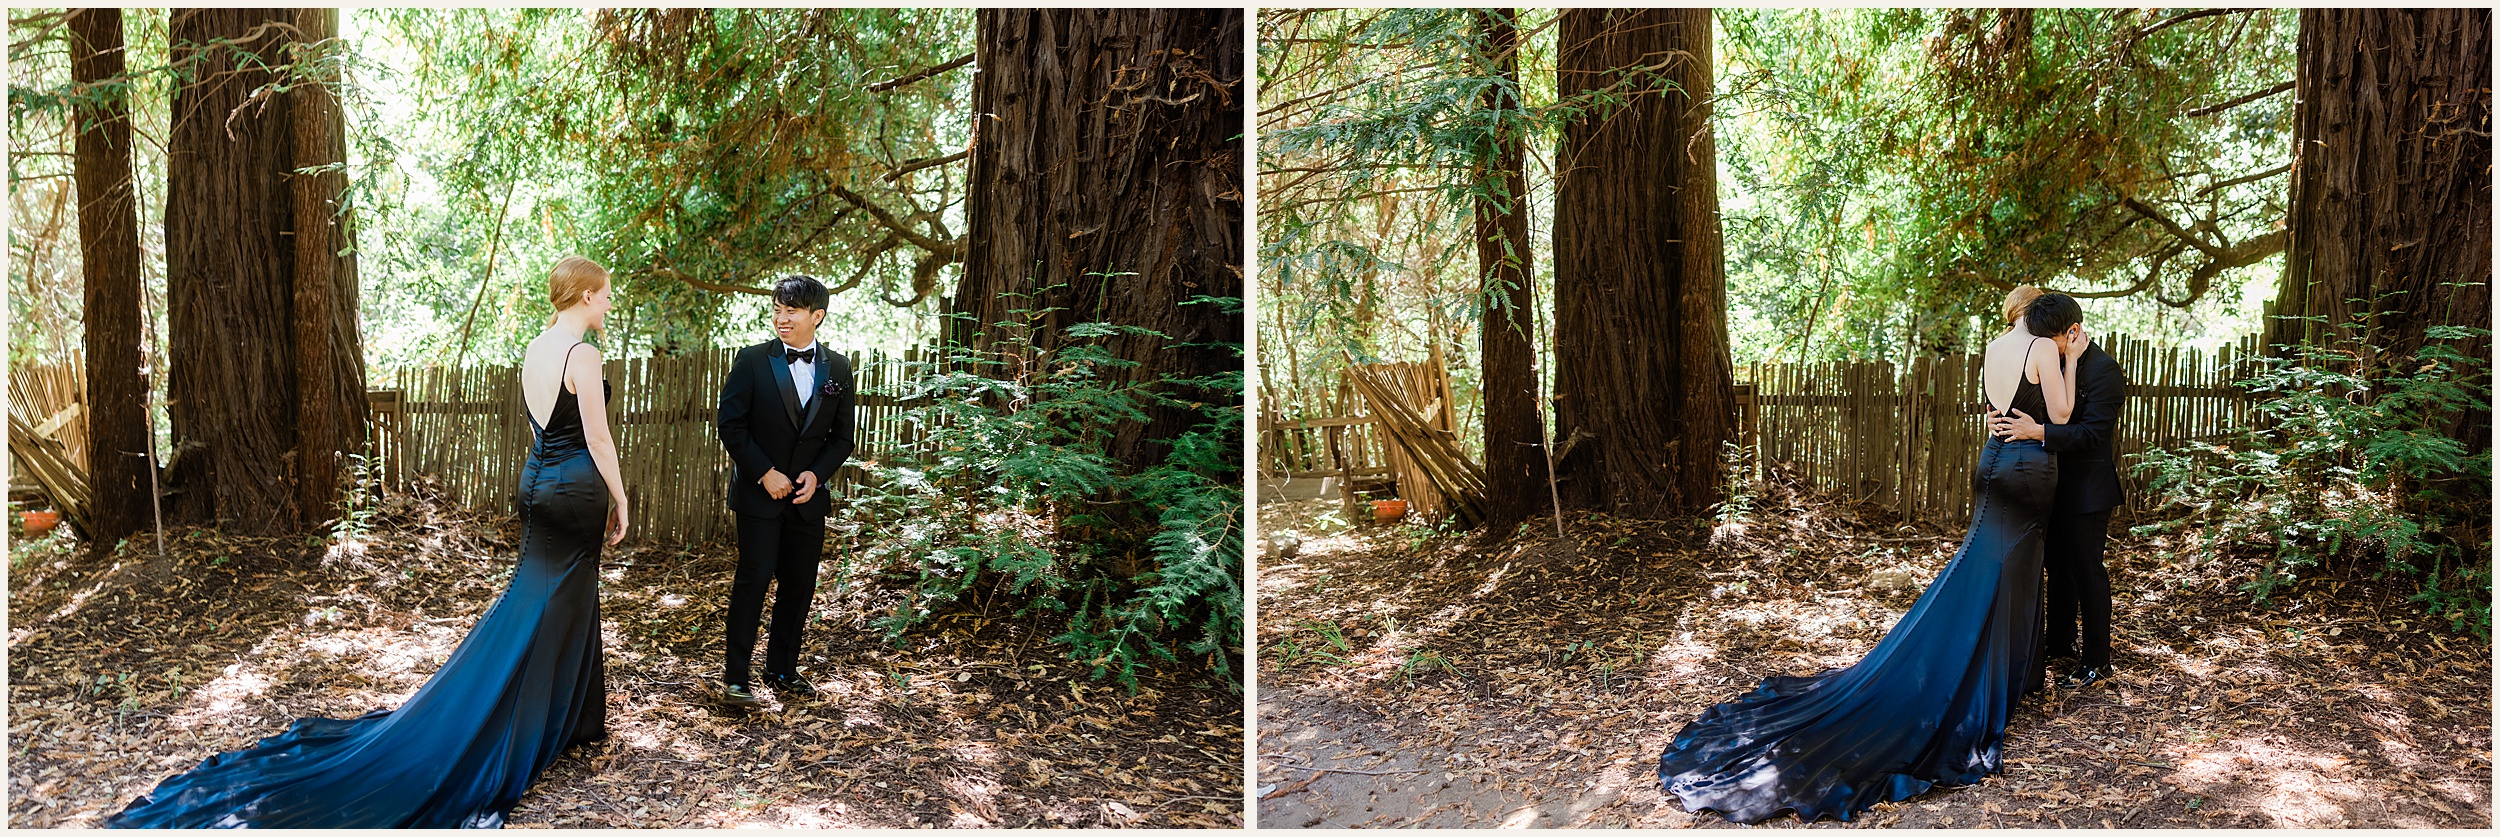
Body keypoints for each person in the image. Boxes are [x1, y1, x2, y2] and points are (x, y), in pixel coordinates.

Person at [106, 256, 628, 828]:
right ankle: (528, 718)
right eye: (603, 295)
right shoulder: (582, 355)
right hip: (576, 488)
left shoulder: (537, 348)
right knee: (560, 599)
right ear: (582, 296)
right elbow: (598, 440)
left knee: (545, 597)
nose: (607, 303)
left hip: (536, 483)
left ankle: (570, 716)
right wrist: (621, 497)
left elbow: (541, 424)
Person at [1654, 288, 2087, 824]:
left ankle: (2002, 675)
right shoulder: (2045, 348)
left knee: (1987, 567)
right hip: (2028, 463)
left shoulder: (1995, 347)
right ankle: (1994, 683)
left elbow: (2001, 407)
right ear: (2044, 317)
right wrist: (2069, 356)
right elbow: (2063, 413)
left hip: (1993, 458)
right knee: (2012, 571)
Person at [714, 275, 856, 708]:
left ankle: (781, 670)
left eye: (790, 311)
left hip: (807, 501)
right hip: (760, 497)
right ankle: (736, 678)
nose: (781, 318)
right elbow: (730, 424)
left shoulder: (839, 368)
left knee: (799, 586)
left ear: (817, 316)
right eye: (777, 309)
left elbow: (842, 437)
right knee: (753, 581)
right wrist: (764, 472)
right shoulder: (752, 361)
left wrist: (817, 475)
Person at [1990, 293, 2127, 689]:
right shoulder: (2049, 357)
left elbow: (2092, 434)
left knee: (2088, 572)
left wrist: (2040, 432)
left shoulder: (2104, 371)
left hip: (2088, 489)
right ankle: (2060, 643)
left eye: (2053, 341)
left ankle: (2097, 661)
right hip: (2048, 482)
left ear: (2074, 332)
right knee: (2056, 569)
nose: (2046, 348)